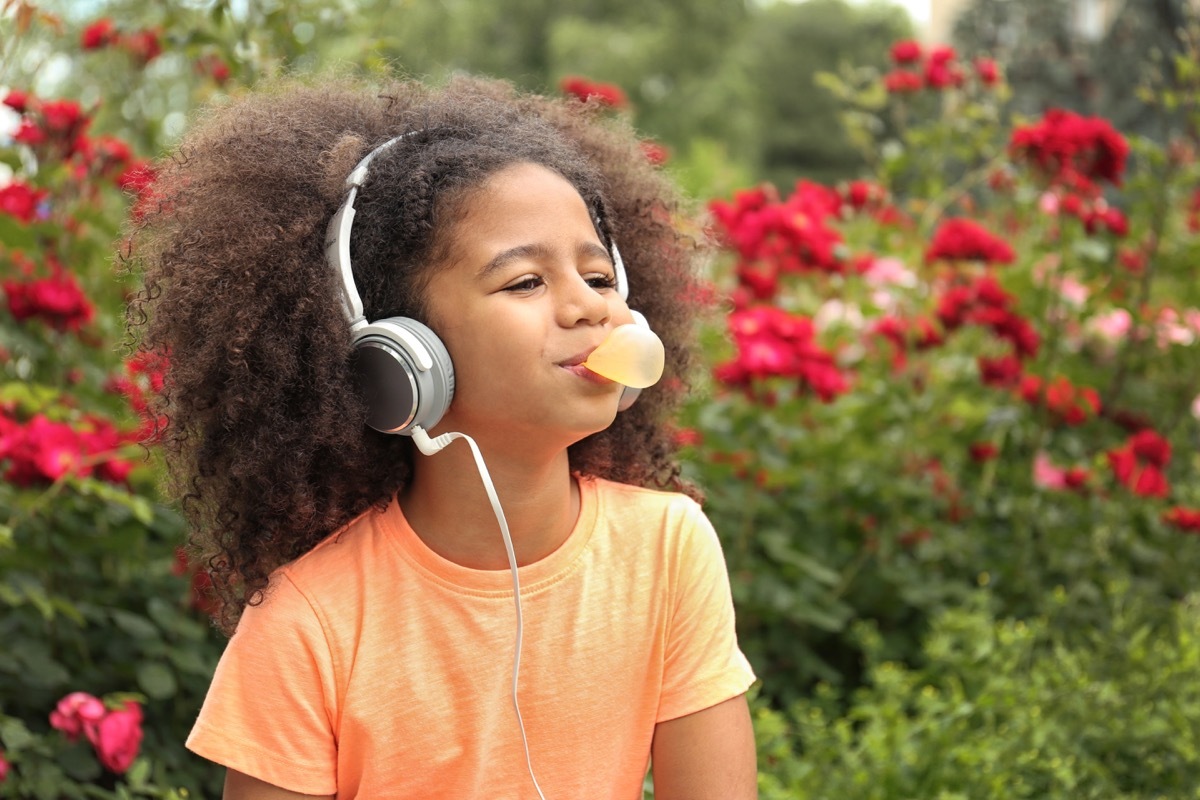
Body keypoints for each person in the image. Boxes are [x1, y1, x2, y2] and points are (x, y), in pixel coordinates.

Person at [129, 74, 757, 799]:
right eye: (525, 282)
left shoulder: (669, 550)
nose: (590, 307)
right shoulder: (311, 622)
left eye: (598, 275)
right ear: (399, 356)